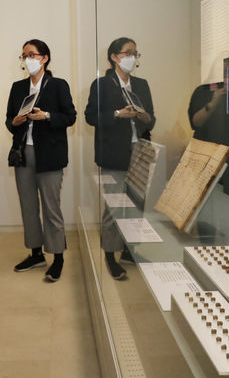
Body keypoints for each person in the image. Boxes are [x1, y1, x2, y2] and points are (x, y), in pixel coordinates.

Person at [84, 37, 155, 279]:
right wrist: (117, 114)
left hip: (140, 152)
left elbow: (152, 119)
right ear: (114, 56)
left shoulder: (141, 84)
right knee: (114, 208)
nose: (132, 58)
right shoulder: (102, 84)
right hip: (113, 153)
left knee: (136, 205)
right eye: (128, 53)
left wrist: (143, 117)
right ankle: (110, 255)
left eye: (136, 53)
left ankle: (130, 251)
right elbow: (91, 117)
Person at [6, 39, 76, 282]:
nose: (28, 60)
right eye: (24, 56)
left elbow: (70, 117)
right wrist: (14, 122)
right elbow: (8, 120)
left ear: (45, 58)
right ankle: (35, 254)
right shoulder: (17, 87)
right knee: (28, 206)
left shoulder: (57, 85)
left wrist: (45, 115)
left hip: (50, 154)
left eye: (32, 55)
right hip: (23, 153)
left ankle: (57, 257)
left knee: (51, 207)